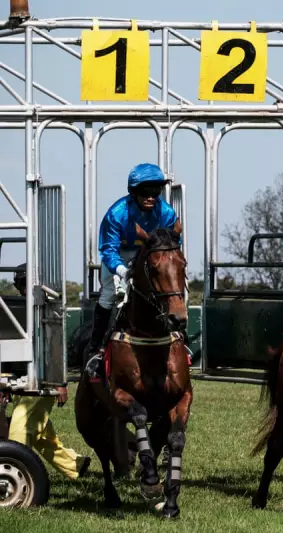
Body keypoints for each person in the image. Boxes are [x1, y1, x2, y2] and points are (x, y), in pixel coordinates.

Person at [84, 163, 179, 380]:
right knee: (110, 295)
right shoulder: (116, 214)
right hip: (119, 255)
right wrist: (122, 271)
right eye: (146, 191)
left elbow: (173, 243)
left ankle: (177, 339)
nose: (151, 196)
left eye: (156, 191)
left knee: (168, 290)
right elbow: (108, 249)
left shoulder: (166, 213)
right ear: (133, 192)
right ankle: (95, 349)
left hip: (151, 254)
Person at [7, 264, 91, 480]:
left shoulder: (48, 311)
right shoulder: (14, 310)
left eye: (27, 283)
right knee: (40, 433)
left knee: (20, 422)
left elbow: (56, 348)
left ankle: (15, 473)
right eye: (20, 283)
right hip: (25, 378)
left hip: (44, 379)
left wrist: (60, 381)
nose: (24, 288)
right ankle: (75, 465)